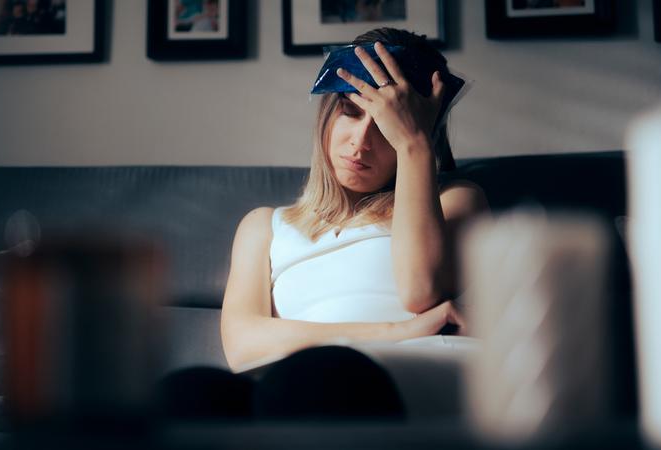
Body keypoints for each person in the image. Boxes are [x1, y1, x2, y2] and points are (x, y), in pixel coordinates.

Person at [159, 28, 489, 421]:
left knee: (312, 379)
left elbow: (421, 292)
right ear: (327, 114)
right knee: (186, 394)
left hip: (410, 373)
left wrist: (415, 146)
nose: (361, 141)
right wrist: (397, 330)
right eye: (351, 111)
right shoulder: (264, 225)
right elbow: (243, 346)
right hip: (297, 383)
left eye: (387, 124)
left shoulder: (456, 201)